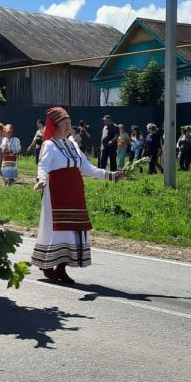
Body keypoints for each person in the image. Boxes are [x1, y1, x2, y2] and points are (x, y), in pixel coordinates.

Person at [32, 107, 122, 283]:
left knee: (74, 230)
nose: (67, 127)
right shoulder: (49, 145)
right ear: (55, 125)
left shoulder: (72, 144)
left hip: (74, 193)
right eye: (63, 124)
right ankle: (48, 264)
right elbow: (43, 166)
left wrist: (110, 175)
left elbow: (87, 167)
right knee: (57, 230)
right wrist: (41, 180)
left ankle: (62, 267)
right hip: (57, 193)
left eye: (68, 124)